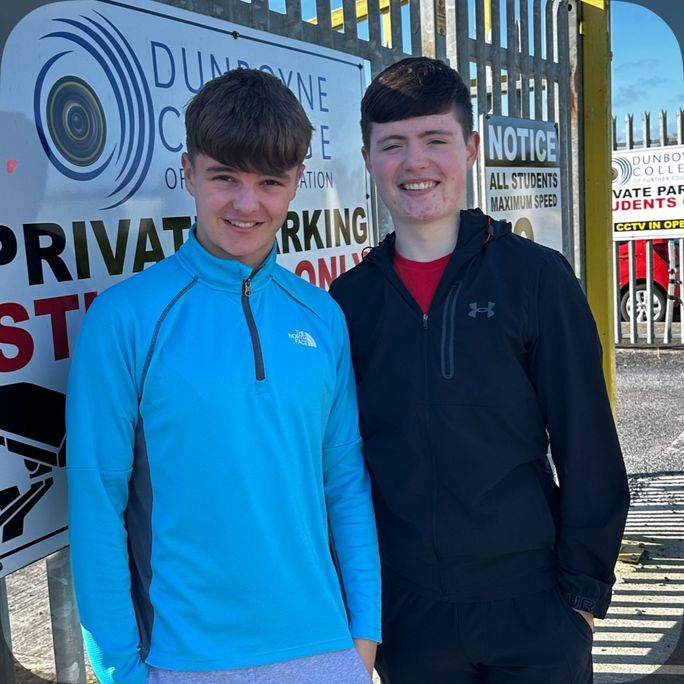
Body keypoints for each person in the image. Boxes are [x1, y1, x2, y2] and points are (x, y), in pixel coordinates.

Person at [67, 68, 380, 684]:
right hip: (183, 661)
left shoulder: (320, 316)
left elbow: (343, 479)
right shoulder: (126, 318)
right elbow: (97, 502)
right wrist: (120, 671)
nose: (247, 203)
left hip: (327, 651)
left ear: (296, 183)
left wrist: (363, 635)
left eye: (270, 181)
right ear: (188, 172)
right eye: (224, 177)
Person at [329, 56, 629, 683]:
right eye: (393, 145)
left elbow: (588, 445)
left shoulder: (535, 277)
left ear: (470, 148)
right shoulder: (348, 303)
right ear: (367, 159)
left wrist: (582, 596)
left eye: (435, 139)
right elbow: (341, 467)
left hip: (534, 607)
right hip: (409, 614)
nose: (415, 163)